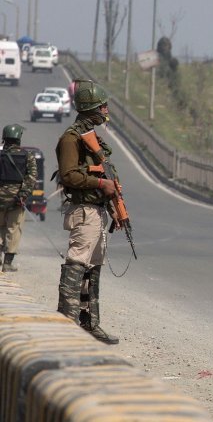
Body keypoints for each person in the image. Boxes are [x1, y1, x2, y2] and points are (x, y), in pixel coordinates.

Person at [55, 79, 120, 344]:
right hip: (84, 211)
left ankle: (89, 322)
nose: (105, 111)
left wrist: (113, 202)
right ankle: (66, 322)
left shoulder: (92, 138)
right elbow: (68, 175)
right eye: (102, 107)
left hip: (97, 210)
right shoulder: (71, 139)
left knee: (93, 266)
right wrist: (100, 183)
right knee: (77, 263)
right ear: (91, 108)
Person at [0, 124, 37, 272]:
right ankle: (7, 263)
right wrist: (22, 195)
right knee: (13, 229)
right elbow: (31, 178)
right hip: (17, 200)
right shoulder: (28, 156)